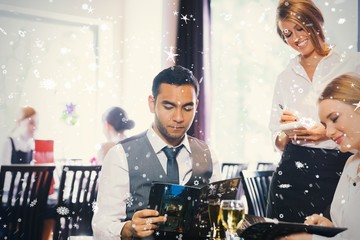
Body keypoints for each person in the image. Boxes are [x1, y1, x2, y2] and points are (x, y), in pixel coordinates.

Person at [92, 65, 221, 239]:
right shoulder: (120, 155)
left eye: (187, 108)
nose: (178, 117)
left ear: (196, 105)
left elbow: (217, 218)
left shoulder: (208, 154)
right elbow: (101, 226)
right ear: (152, 104)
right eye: (169, 107)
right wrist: (128, 229)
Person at [267, 0, 360, 223]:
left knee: (333, 230)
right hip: (291, 172)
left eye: (300, 27)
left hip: (338, 169)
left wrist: (326, 131)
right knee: (284, 236)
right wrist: (286, 133)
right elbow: (276, 138)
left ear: (315, 21)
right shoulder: (284, 77)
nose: (296, 38)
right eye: (287, 34)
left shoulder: (351, 64)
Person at [277, 73, 360, 239]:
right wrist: (330, 227)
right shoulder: (351, 164)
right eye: (324, 125)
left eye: (334, 118)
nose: (328, 132)